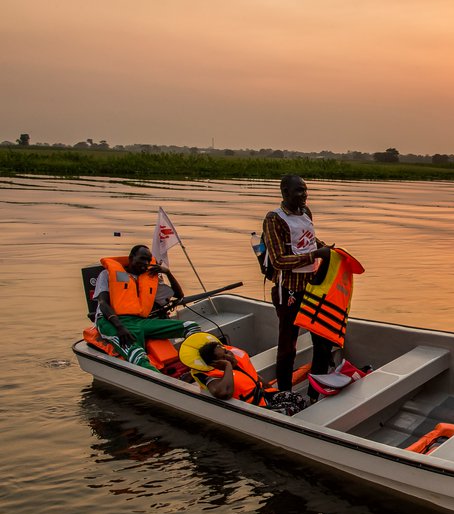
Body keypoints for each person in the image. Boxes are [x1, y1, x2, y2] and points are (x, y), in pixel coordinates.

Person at [262, 175, 335, 400]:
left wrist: (328, 249)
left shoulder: (306, 212)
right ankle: (285, 393)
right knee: (288, 347)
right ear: (284, 192)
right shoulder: (274, 219)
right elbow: (278, 261)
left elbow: (309, 240)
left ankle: (315, 392)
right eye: (298, 191)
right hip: (288, 291)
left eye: (305, 190)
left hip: (312, 288)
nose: (303, 195)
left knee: (323, 342)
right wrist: (315, 255)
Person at [94, 244, 200, 371]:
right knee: (138, 356)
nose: (146, 263)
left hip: (140, 321)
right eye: (142, 259)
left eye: (149, 260)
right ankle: (165, 385)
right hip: (110, 321)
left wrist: (168, 273)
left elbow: (179, 295)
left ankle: (200, 365)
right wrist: (120, 327)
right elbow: (103, 303)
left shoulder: (149, 278)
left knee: (191, 326)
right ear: (131, 257)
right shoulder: (108, 274)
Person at [179, 333, 310, 415]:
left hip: (264, 396)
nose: (228, 355)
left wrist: (271, 390)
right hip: (252, 408)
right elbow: (223, 393)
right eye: (223, 357)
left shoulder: (235, 359)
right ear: (215, 363)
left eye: (226, 351)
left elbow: (254, 378)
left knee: (296, 398)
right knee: (291, 408)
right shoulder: (211, 376)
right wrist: (228, 367)